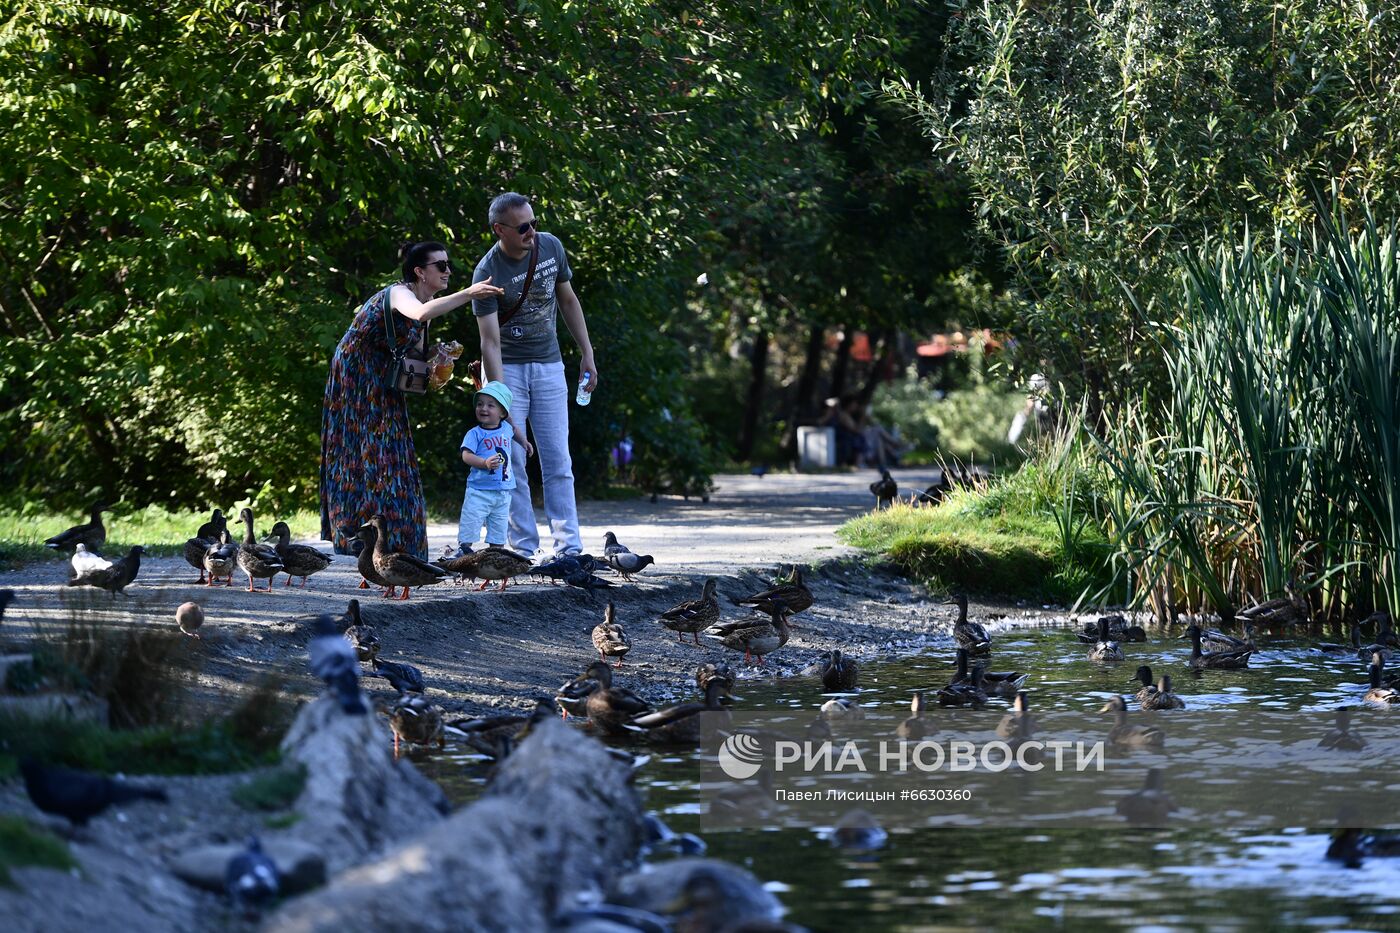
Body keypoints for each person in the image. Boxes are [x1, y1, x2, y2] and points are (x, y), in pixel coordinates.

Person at [319, 241, 503, 559]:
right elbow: (417, 312)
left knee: (392, 454)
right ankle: (358, 534)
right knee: (363, 453)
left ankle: (397, 543)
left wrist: (440, 359)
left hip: (384, 381)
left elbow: (415, 358)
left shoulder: (427, 304)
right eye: (440, 266)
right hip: (356, 375)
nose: (448, 271)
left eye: (449, 265)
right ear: (419, 271)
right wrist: (470, 293)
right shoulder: (400, 293)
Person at [471, 192, 597, 559]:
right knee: (511, 458)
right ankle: (524, 551)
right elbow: (489, 343)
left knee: (558, 459)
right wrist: (502, 402)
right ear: (500, 229)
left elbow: (568, 300)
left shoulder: (551, 247)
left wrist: (587, 353)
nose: (532, 232)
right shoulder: (487, 273)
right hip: (507, 370)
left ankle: (568, 548)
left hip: (549, 367)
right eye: (523, 227)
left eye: (534, 223)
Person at [456, 381, 515, 552]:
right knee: (470, 525)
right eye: (480, 404)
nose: (483, 408)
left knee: (499, 530)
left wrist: (524, 442)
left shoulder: (506, 428)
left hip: (503, 491)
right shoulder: (475, 433)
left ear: (502, 412)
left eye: (491, 405)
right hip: (479, 491)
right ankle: (464, 553)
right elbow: (466, 455)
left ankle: (495, 558)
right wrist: (484, 463)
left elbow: (515, 430)